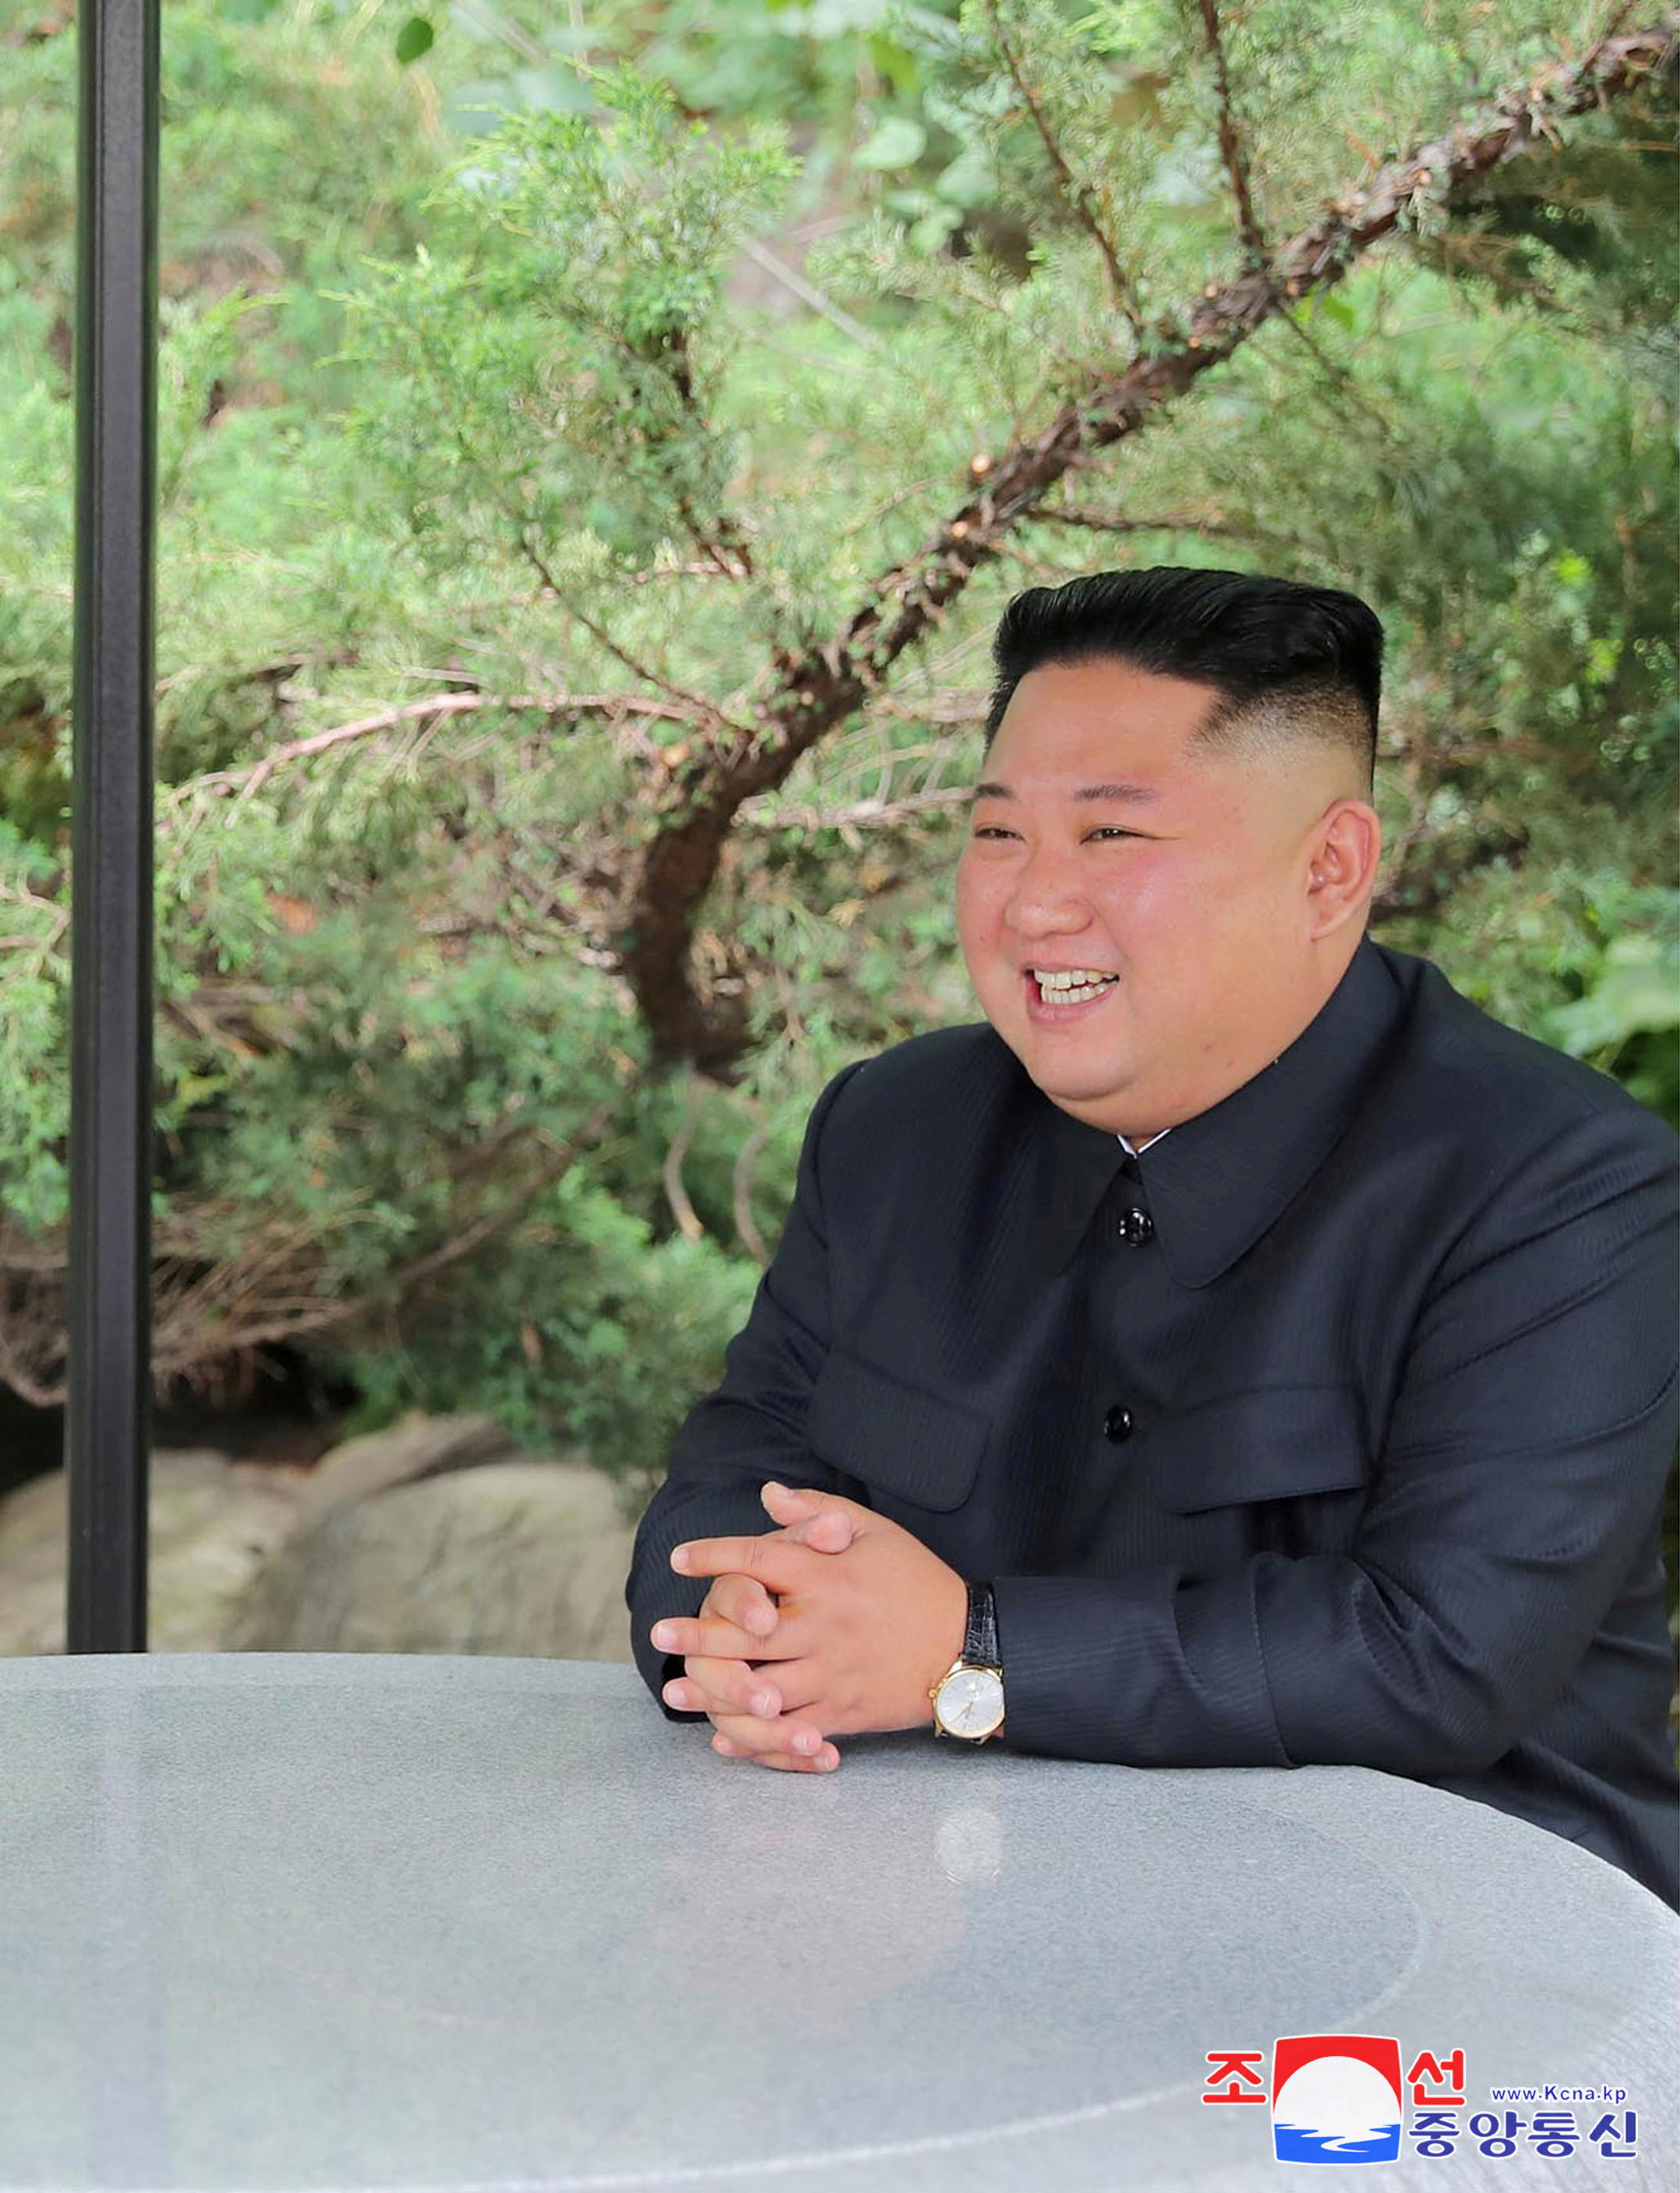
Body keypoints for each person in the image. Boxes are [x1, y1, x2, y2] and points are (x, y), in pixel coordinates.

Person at [626, 565, 1680, 1910]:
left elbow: (1439, 1653)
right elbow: (738, 1471)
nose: (1033, 904)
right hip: (968, 1910)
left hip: (1459, 1937)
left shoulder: (1558, 1185)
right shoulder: (894, 1129)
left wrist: (972, 1653)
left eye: (1111, 835)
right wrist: (748, 1624)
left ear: (1329, 870)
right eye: (998, 832)